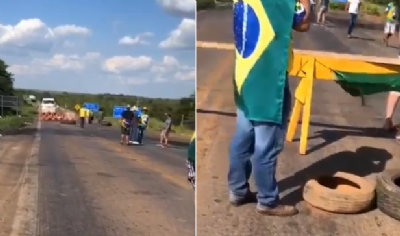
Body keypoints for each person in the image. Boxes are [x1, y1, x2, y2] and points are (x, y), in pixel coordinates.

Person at [228, 0, 310, 217]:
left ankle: (237, 191)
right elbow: (302, 22)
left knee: (243, 135)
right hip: (267, 77)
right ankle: (267, 200)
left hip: (245, 74)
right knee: (266, 144)